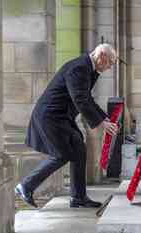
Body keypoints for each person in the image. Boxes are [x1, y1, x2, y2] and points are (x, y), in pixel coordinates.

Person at [15, 44, 119, 208]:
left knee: (79, 148)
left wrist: (104, 119)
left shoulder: (88, 69)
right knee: (62, 154)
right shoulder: (79, 68)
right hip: (50, 117)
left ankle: (78, 197)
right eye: (110, 62)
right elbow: (80, 99)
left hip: (62, 117)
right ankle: (26, 186)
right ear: (101, 56)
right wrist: (100, 123)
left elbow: (87, 98)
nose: (110, 67)